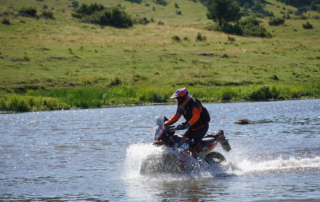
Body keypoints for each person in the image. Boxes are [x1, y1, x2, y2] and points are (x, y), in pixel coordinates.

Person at [165, 88, 210, 161]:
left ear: (185, 98)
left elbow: (196, 115)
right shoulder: (181, 107)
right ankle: (188, 158)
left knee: (196, 141)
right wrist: (165, 124)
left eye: (179, 99)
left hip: (202, 126)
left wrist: (188, 124)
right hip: (192, 127)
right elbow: (175, 117)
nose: (178, 101)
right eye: (177, 99)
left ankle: (202, 158)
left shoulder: (194, 103)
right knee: (183, 140)